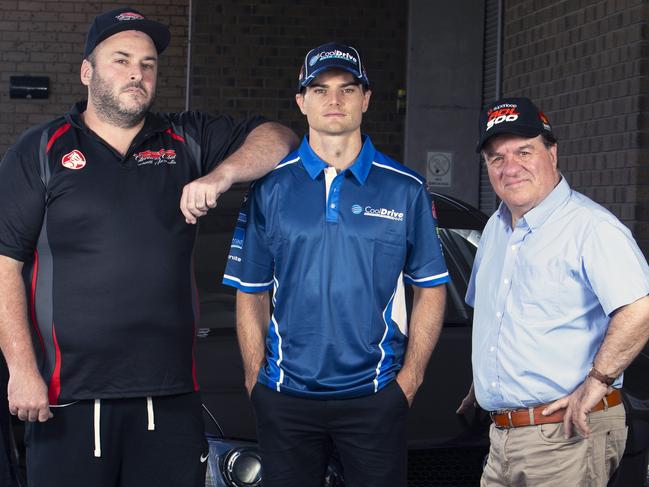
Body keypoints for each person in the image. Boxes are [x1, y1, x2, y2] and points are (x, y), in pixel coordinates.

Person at [0, 6, 298, 487]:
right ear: (86, 72)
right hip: (68, 400)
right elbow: (4, 266)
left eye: (148, 64)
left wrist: (220, 174)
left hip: (171, 400)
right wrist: (21, 369)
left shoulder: (187, 139)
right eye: (121, 60)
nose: (136, 73)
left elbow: (280, 137)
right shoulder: (40, 150)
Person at [223, 42, 448, 487]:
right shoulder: (271, 187)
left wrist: (411, 380)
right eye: (320, 89)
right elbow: (251, 289)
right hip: (286, 398)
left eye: (347, 90)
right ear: (301, 102)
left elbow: (432, 287)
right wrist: (255, 379)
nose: (334, 101)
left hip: (375, 396)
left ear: (366, 99)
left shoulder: (405, 188)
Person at [456, 97, 649, 486]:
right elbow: (496, 317)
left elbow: (640, 309)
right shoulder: (496, 229)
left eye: (524, 151)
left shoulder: (590, 227)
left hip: (566, 434)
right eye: (496, 158)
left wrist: (598, 380)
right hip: (503, 436)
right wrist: (486, 384)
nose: (510, 168)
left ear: (552, 152)